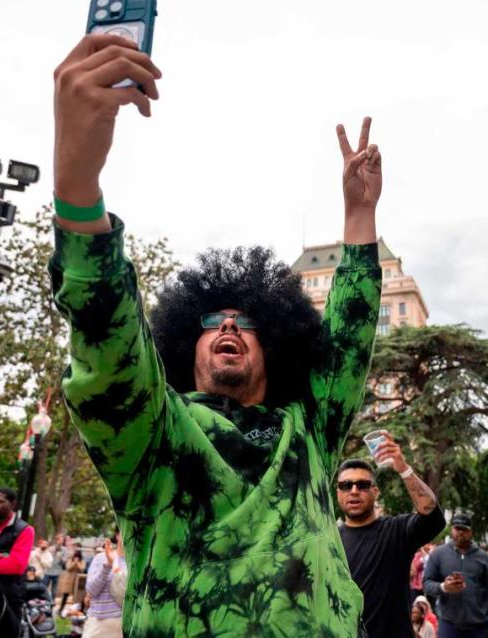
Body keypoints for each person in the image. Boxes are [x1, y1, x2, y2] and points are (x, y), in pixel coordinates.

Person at [50, 33, 382, 636]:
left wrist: (359, 218)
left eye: (245, 320)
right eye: (212, 321)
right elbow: (108, 339)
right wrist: (78, 180)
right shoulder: (155, 433)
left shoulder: (308, 431)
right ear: (186, 342)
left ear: (274, 343)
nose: (229, 324)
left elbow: (350, 341)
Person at [337, 435, 445, 638]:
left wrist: (404, 468)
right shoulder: (329, 540)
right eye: (345, 485)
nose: (353, 491)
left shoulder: (396, 531)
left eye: (362, 485)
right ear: (337, 493)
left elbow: (434, 518)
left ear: (375, 491)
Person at [424, 513, 488, 638]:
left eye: (464, 529)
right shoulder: (438, 554)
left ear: (470, 532)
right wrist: (444, 587)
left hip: (479, 626)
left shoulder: (484, 558)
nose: (460, 533)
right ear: (451, 529)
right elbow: (426, 584)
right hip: (449, 625)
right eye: (457, 528)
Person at [0, 486, 35, 624]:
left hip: (10, 596)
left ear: (12, 504)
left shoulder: (24, 530)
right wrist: (1, 556)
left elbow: (16, 565)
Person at [84, 532, 126, 638]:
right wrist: (108, 566)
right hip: (98, 623)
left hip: (124, 624)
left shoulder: (137, 563)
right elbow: (92, 590)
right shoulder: (100, 558)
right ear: (117, 535)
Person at [59, 547, 86, 613]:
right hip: (69, 580)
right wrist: (74, 563)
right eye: (75, 556)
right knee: (65, 595)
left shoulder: (82, 562)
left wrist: (78, 563)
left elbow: (82, 569)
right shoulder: (70, 560)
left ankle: (79, 610)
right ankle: (61, 609)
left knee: (78, 596)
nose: (76, 558)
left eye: (77, 557)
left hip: (78, 581)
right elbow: (68, 568)